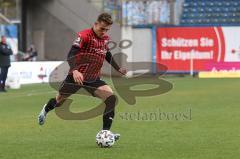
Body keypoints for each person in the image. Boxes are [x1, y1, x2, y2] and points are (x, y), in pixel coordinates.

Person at [38, 13, 127, 141]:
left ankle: (105, 133)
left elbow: (107, 53)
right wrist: (74, 70)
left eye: (107, 30)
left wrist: (118, 68)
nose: (104, 32)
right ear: (95, 24)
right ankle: (46, 109)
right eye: (102, 29)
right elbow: (71, 54)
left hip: (93, 78)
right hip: (75, 77)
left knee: (111, 98)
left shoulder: (105, 39)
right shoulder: (84, 36)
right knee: (59, 102)